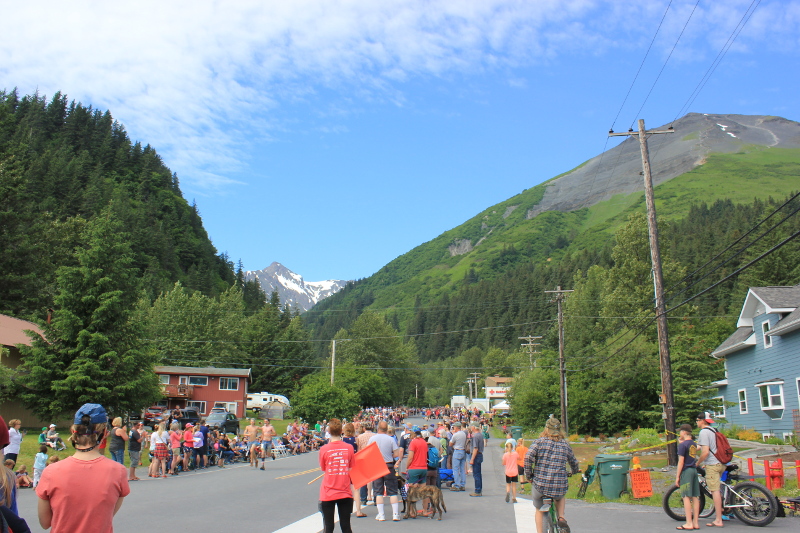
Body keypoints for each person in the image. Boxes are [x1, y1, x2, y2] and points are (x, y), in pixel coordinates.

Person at [36, 403, 130, 533]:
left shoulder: (51, 471)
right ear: (104, 433)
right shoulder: (118, 471)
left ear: (73, 431)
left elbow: (45, 522)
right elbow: (106, 516)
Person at [524, 417, 579, 533]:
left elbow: (528, 457)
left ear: (546, 429)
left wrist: (529, 475)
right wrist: (574, 471)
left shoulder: (539, 442)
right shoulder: (565, 444)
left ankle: (540, 531)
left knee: (539, 509)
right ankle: (561, 517)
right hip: (559, 485)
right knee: (560, 496)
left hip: (540, 485)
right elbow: (573, 461)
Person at [318, 419, 355, 533]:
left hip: (328, 491)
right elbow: (351, 466)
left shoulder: (324, 449)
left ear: (328, 431)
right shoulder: (349, 447)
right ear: (341, 431)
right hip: (344, 490)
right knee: (346, 526)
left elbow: (323, 468)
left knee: (328, 527)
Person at [368, 420, 403, 522]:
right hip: (388, 465)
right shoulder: (391, 439)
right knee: (392, 490)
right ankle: (395, 514)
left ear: (378, 428)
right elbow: (396, 454)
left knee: (378, 491)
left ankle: (381, 514)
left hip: (377, 465)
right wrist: (389, 455)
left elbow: (368, 453)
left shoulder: (372, 439)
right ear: (387, 429)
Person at [696, 412, 725, 528]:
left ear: (702, 421)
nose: (697, 422)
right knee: (716, 486)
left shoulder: (703, 432)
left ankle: (718, 519)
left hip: (713, 464)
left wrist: (698, 463)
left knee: (715, 490)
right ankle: (722, 507)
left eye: (697, 420)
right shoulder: (713, 430)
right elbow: (700, 446)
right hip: (720, 462)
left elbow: (705, 452)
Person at [675, 423, 700, 530]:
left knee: (686, 496)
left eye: (680, 431)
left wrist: (677, 476)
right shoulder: (693, 444)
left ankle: (688, 522)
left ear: (684, 432)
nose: (679, 433)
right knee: (695, 496)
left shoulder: (682, 445)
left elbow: (681, 462)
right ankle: (695, 522)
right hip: (694, 470)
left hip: (686, 471)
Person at [449, 422, 467, 492]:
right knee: (462, 469)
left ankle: (457, 484)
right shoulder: (463, 434)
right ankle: (462, 484)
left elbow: (450, 443)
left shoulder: (455, 435)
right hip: (463, 450)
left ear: (456, 427)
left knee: (455, 469)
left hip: (457, 451)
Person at [468, 423, 485, 497]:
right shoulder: (480, 435)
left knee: (476, 474)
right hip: (480, 455)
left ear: (474, 427)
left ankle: (477, 490)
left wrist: (472, 459)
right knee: (478, 473)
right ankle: (479, 489)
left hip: (476, 455)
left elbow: (475, 448)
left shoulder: (475, 436)